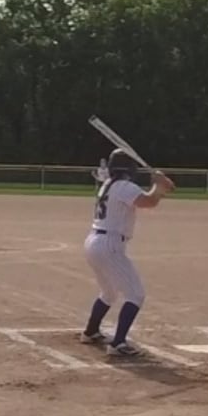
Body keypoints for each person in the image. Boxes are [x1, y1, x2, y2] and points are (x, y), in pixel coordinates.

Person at [79, 149, 174, 357]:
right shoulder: (123, 186)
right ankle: (118, 343)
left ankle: (91, 331)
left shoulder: (109, 184)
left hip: (95, 241)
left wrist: (160, 189)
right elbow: (148, 202)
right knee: (135, 295)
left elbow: (150, 199)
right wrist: (158, 186)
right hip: (109, 244)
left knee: (109, 293)